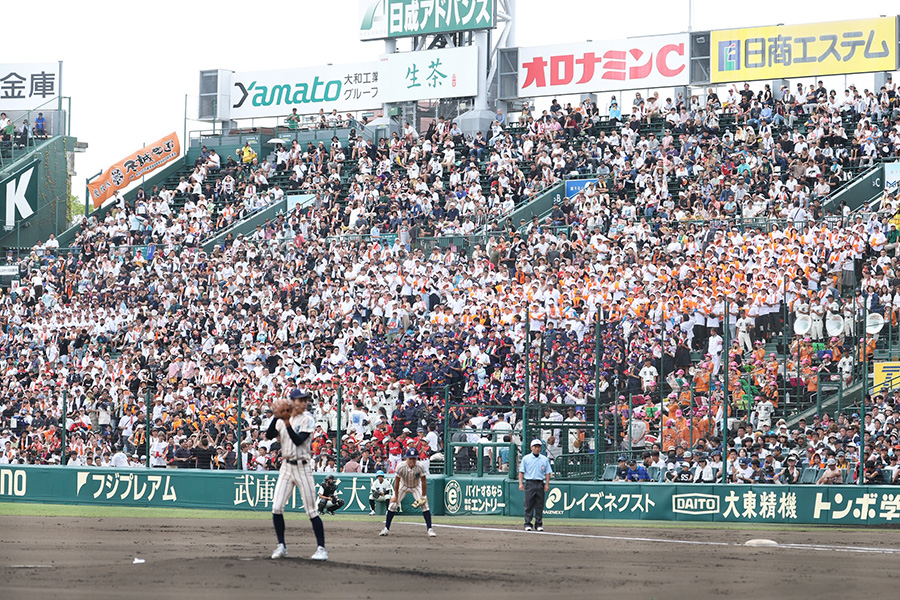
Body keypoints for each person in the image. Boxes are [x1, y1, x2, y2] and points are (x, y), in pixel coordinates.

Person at [266, 389, 327, 561]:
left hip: (303, 467)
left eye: (304, 400)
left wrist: (285, 422)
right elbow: (269, 435)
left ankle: (321, 548)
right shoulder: (284, 417)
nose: (303, 403)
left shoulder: (307, 418)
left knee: (311, 510)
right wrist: (276, 416)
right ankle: (281, 546)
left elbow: (298, 440)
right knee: (277, 508)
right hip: (286, 467)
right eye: (299, 400)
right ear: (291, 401)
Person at [380, 448, 436, 537]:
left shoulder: (420, 466)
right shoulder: (400, 466)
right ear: (406, 458)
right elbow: (397, 482)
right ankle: (386, 528)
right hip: (403, 486)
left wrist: (423, 496)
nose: (412, 461)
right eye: (410, 458)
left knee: (424, 505)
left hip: (416, 486)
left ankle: (430, 529)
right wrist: (396, 497)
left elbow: (424, 481)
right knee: (393, 505)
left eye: (414, 458)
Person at [518, 438, 552, 532]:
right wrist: (520, 483)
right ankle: (528, 523)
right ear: (531, 447)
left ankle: (539, 524)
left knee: (539, 505)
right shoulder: (526, 458)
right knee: (528, 504)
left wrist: (547, 484)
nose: (537, 449)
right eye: (535, 447)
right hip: (530, 482)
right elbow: (521, 472)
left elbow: (548, 473)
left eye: (539, 447)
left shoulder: (544, 459)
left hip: (540, 483)